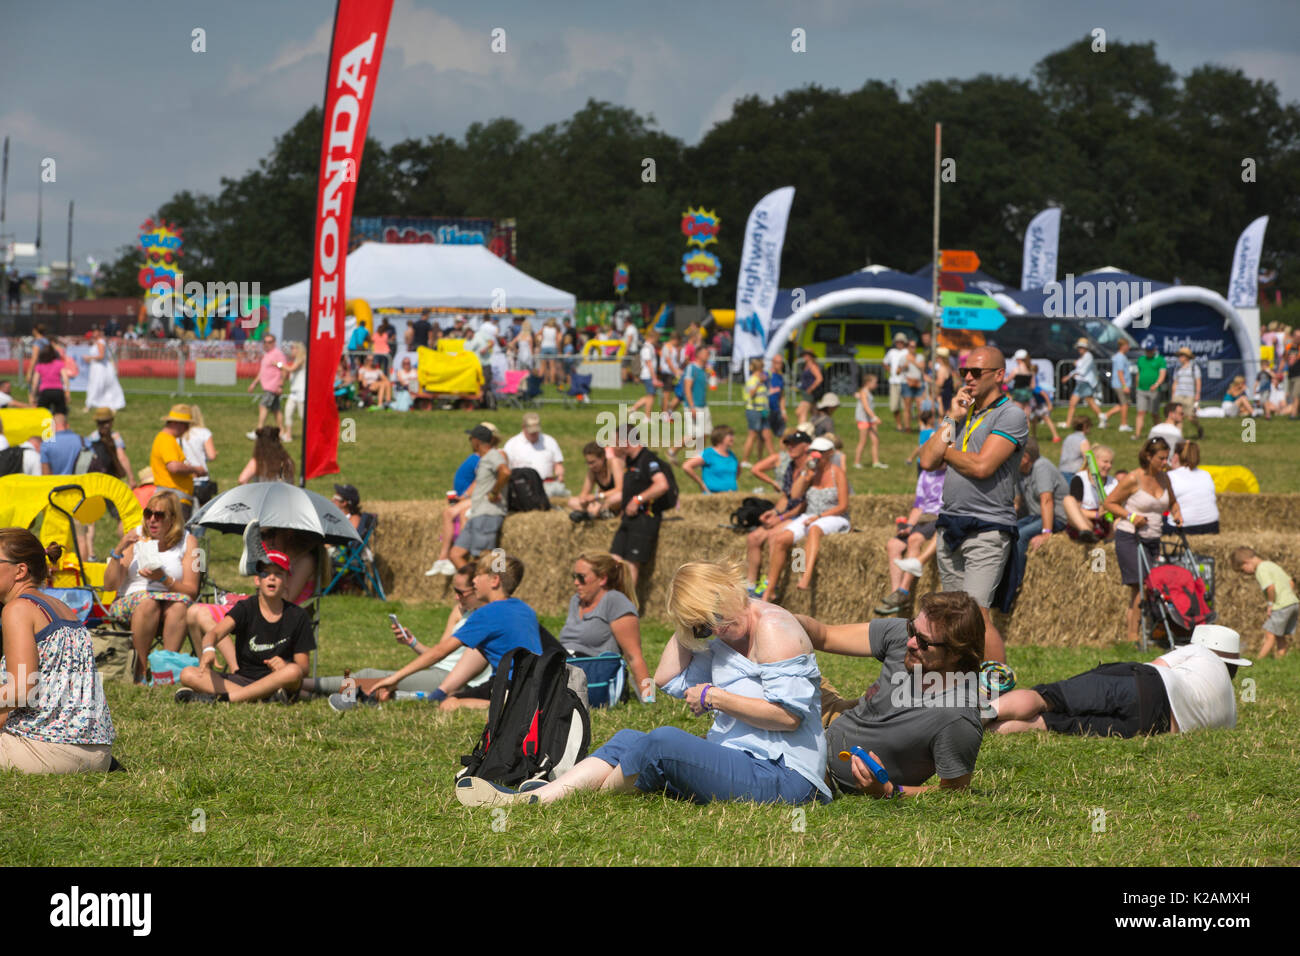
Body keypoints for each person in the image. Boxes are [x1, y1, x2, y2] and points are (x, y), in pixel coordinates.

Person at [456, 560, 830, 808]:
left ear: (730, 588)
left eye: (714, 616)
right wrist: (687, 627)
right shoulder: (723, 632)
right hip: (741, 758)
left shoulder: (774, 629)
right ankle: (540, 798)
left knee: (664, 741)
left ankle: (567, 797)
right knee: (628, 738)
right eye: (703, 626)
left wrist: (716, 696)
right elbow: (666, 679)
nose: (714, 630)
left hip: (787, 778)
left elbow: (788, 718)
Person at [796, 591, 985, 797]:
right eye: (912, 629)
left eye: (923, 642)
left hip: (825, 771)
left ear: (956, 653)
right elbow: (824, 635)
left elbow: (954, 792)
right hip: (836, 716)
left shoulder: (957, 716)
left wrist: (889, 790)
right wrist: (776, 619)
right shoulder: (907, 637)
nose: (910, 642)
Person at [917, 345, 1026, 664]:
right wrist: (951, 417)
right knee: (953, 614)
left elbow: (982, 467)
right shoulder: (965, 415)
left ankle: (998, 686)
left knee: (977, 612)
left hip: (988, 526)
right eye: (964, 371)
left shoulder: (1011, 414)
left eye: (976, 372)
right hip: (950, 523)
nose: (968, 377)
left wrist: (943, 450)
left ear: (999, 375)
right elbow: (926, 460)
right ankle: (961, 681)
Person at [987, 624, 1251, 737]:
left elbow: (1155, 666)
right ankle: (990, 730)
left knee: (1048, 698)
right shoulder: (1231, 714)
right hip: (1150, 726)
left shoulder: (1200, 652)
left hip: (1146, 685)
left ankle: (970, 717)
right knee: (1048, 724)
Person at [0, 532, 116, 773]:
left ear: (20, 571)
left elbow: (22, 689)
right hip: (99, 754)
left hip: (47, 751)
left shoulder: (18, 609)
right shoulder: (63, 609)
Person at [370, 553, 541, 709]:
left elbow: (439, 652)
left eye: (478, 575)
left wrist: (395, 678)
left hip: (510, 688)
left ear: (494, 580)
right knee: (450, 697)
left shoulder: (487, 613)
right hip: (533, 686)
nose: (474, 581)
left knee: (449, 705)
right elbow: (478, 656)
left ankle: (504, 708)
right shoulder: (525, 610)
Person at [315, 566, 493, 707]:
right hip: (437, 671)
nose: (455, 597)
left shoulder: (488, 617)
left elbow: (440, 656)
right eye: (454, 590)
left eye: (460, 592)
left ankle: (303, 685)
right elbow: (438, 653)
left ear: (477, 589)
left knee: (371, 677)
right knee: (372, 679)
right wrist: (412, 642)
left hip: (452, 679)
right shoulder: (460, 610)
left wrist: (397, 677)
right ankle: (305, 690)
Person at [176, 548, 314, 704]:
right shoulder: (246, 608)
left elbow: (303, 668)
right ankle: (262, 697)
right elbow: (214, 634)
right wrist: (209, 649)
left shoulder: (298, 615)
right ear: (257, 580)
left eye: (278, 574)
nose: (271, 578)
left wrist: (285, 665)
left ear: (287, 581)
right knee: (188, 674)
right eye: (265, 574)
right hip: (243, 679)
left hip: (278, 680)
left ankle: (225, 698)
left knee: (293, 671)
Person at [103, 490, 202, 679]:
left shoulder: (189, 542)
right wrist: (118, 550)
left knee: (180, 606)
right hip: (131, 600)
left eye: (159, 515)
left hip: (170, 600)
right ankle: (138, 669)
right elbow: (109, 585)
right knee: (149, 603)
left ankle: (165, 669)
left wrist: (163, 579)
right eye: (148, 514)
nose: (152, 520)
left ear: (172, 519)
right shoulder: (135, 537)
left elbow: (191, 590)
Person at [1103, 436, 1182, 645]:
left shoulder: (1165, 479)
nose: (1165, 463)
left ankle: (1149, 632)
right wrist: (1131, 516)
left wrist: (1177, 514)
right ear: (1148, 456)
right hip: (1130, 536)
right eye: (1161, 458)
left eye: (1167, 458)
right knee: (1141, 586)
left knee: (1152, 585)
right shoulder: (1132, 479)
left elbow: (1172, 502)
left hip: (1153, 538)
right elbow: (1109, 503)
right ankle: (1133, 637)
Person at [558, 551, 652, 700]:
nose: (576, 582)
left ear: (602, 579)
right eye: (574, 577)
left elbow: (635, 657)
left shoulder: (615, 602)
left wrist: (649, 697)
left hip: (594, 675)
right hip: (565, 666)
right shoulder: (576, 601)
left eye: (581, 577)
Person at [1006, 436, 1069, 605]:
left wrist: (1046, 533)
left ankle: (1015, 587)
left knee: (1020, 535)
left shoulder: (1042, 467)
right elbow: (1016, 502)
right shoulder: (1019, 471)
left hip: (1056, 519)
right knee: (1008, 531)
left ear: (1025, 458)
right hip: (1036, 516)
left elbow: (1046, 500)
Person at [875, 466, 945, 615]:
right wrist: (908, 526)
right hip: (923, 519)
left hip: (940, 517)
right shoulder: (926, 473)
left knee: (915, 539)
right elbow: (918, 506)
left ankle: (904, 591)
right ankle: (896, 595)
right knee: (893, 544)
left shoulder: (952, 472)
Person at [609, 432, 671, 593]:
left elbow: (662, 485)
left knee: (631, 565)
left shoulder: (648, 459)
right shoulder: (630, 461)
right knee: (613, 560)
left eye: (616, 442)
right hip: (629, 520)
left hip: (645, 520)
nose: (614, 446)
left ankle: (626, 609)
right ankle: (612, 602)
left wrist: (638, 500)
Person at [448, 425, 511, 568]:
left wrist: (494, 492)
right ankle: (472, 587)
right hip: (477, 514)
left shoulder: (493, 455)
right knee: (455, 554)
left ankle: (492, 586)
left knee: (484, 558)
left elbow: (505, 472)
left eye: (471, 439)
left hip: (487, 514)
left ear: (476, 441)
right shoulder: (485, 459)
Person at [1231, 547, 1296, 659]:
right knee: (1280, 634)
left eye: (1243, 569)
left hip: (1281, 605)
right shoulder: (1271, 565)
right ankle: (1281, 659)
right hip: (1293, 603)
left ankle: (1259, 660)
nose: (1245, 572)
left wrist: (1270, 604)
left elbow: (1270, 587)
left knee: (1269, 633)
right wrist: (1286, 595)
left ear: (1246, 562)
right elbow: (1290, 582)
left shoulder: (1260, 569)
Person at [150, 404, 205, 514]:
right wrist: (195, 469)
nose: (187, 429)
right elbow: (174, 467)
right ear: (175, 423)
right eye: (186, 425)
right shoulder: (167, 440)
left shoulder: (166, 439)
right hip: (174, 500)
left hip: (173, 498)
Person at [503, 412, 567, 498]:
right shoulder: (512, 444)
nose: (534, 434)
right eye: (531, 432)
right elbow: (505, 467)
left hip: (547, 485)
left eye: (536, 431)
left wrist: (560, 476)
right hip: (523, 487)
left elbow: (558, 464)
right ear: (523, 427)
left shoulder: (550, 441)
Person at [1063, 444, 1117, 541]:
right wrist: (1097, 514)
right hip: (1086, 522)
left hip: (1106, 524)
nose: (1109, 466)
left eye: (1111, 463)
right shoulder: (1080, 479)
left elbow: (1117, 511)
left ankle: (1108, 541)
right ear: (1094, 461)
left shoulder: (1114, 482)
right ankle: (1087, 534)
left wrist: (1108, 509)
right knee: (1068, 500)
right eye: (1105, 462)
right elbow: (1076, 510)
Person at [1167, 441, 1218, 535]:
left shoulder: (1170, 476)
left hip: (1184, 527)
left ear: (1176, 457)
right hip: (1212, 525)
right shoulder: (1206, 474)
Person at [567, 440, 624, 522]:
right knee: (571, 502)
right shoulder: (592, 471)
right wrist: (583, 500)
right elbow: (584, 492)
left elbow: (620, 489)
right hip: (603, 501)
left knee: (618, 497)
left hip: (616, 500)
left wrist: (597, 497)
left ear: (602, 457)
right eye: (587, 463)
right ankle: (598, 512)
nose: (590, 466)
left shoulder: (614, 463)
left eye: (592, 462)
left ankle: (593, 512)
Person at [246, 333, 287, 440]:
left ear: (274, 343)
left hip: (273, 386)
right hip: (267, 386)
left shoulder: (277, 354)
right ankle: (281, 431)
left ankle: (259, 431)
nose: (267, 344)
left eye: (269, 342)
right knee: (276, 410)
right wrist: (254, 383)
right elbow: (262, 371)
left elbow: (284, 369)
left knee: (263, 406)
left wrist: (280, 385)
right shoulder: (267, 355)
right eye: (265, 342)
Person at [179, 404, 217, 507]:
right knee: (202, 513)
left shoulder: (180, 434)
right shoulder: (204, 433)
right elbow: (212, 455)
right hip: (202, 478)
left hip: (184, 478)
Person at [683, 424, 739, 494]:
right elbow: (687, 466)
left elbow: (737, 471)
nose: (732, 438)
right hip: (712, 495)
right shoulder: (709, 453)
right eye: (730, 435)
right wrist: (701, 484)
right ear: (720, 437)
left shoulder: (732, 455)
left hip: (731, 495)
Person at [1063, 338, 1104, 426]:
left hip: (1085, 383)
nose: (1079, 349)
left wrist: (1070, 376)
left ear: (1085, 348)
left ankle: (1103, 418)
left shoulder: (1088, 356)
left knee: (1089, 402)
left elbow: (1082, 371)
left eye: (1081, 347)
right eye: (1079, 347)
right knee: (1075, 403)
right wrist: (1070, 375)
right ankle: (1068, 423)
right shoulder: (1083, 357)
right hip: (1081, 383)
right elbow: (1078, 369)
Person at [740, 358, 773, 466]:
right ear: (757, 369)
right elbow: (751, 394)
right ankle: (744, 460)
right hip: (753, 411)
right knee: (752, 435)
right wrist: (759, 383)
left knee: (765, 436)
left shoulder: (760, 380)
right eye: (761, 370)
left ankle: (764, 459)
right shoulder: (752, 380)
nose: (763, 372)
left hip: (763, 411)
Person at [83, 326, 125, 412]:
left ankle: (91, 404)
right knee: (97, 385)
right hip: (97, 367)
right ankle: (92, 403)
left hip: (100, 368)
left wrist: (89, 358)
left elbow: (101, 356)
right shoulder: (98, 342)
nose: (94, 333)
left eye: (96, 331)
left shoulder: (100, 342)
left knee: (98, 385)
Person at [1133, 341, 1167, 439]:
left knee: (1154, 413)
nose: (1148, 352)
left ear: (1154, 350)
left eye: (1150, 350)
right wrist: (1136, 385)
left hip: (1154, 390)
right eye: (1147, 350)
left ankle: (1160, 433)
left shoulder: (1160, 360)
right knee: (1140, 412)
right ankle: (1137, 434)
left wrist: (1157, 384)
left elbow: (1162, 374)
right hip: (1141, 389)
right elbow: (1138, 373)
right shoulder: (1141, 360)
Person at [852, 373, 886, 469]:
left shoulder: (867, 392)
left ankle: (876, 462)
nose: (876, 385)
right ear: (868, 383)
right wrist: (875, 418)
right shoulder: (864, 392)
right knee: (863, 441)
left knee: (875, 440)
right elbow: (866, 407)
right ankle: (856, 462)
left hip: (870, 419)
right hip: (864, 420)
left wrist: (873, 418)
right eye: (875, 382)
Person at [1170, 346, 1203, 439]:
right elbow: (1175, 382)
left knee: (1190, 416)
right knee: (1178, 416)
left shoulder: (1194, 367)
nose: (1179, 357)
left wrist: (1198, 393)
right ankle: (1179, 436)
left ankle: (1199, 428)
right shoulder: (1177, 368)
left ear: (1186, 357)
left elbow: (1198, 381)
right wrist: (1173, 396)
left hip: (1189, 395)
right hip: (1178, 394)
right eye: (1179, 355)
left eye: (1181, 355)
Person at [28, 343, 70, 416]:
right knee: (60, 413)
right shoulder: (59, 364)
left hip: (45, 392)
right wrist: (67, 392)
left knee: (42, 413)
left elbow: (35, 382)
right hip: (58, 391)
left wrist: (33, 395)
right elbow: (65, 379)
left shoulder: (40, 365)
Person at [883, 333, 911, 431]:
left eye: (901, 341)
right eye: (898, 341)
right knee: (894, 406)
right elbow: (884, 363)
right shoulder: (891, 352)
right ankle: (899, 425)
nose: (899, 343)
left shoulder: (907, 352)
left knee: (906, 407)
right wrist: (891, 370)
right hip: (894, 382)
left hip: (905, 382)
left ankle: (907, 426)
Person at [631, 328, 660, 417]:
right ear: (653, 337)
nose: (657, 341)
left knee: (651, 395)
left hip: (649, 375)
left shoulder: (649, 347)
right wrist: (654, 378)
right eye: (657, 339)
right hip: (648, 375)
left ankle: (633, 408)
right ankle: (647, 417)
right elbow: (649, 364)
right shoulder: (647, 348)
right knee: (651, 396)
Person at [281, 342, 307, 440]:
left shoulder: (303, 358)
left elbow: (291, 369)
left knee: (302, 415)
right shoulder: (296, 359)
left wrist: (279, 364)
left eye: (293, 348)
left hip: (301, 391)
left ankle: (309, 435)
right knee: (288, 411)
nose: (291, 350)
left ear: (298, 349)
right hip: (293, 392)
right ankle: (288, 435)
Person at [1107, 337, 1134, 431]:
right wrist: (1124, 385)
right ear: (1122, 346)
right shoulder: (1120, 357)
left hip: (1120, 384)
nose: (1129, 347)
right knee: (1124, 404)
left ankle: (1105, 416)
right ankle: (1123, 424)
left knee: (1123, 404)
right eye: (1127, 345)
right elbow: (1120, 372)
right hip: (1120, 384)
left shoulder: (1120, 356)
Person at [1057, 415, 1092, 484]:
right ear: (1085, 426)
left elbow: (1062, 453)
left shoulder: (1068, 437)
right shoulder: (1083, 440)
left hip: (1062, 470)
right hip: (1074, 472)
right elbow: (1088, 459)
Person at [794, 350, 825, 425]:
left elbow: (819, 378)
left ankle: (802, 429)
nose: (804, 356)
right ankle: (820, 424)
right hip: (805, 392)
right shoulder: (805, 365)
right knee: (814, 413)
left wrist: (811, 388)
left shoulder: (813, 366)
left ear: (811, 356)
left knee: (801, 412)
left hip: (810, 393)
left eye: (806, 355)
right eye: (804, 355)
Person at [767, 354, 787, 439]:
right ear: (773, 363)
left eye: (781, 363)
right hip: (767, 410)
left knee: (783, 434)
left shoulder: (780, 377)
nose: (780, 365)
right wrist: (770, 391)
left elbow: (782, 396)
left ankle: (782, 452)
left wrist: (783, 411)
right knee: (765, 436)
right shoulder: (766, 376)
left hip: (777, 410)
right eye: (777, 363)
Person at [538, 317, 561, 385]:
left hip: (544, 347)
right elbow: (557, 340)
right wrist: (559, 350)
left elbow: (537, 335)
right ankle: (552, 381)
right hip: (552, 347)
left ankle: (540, 381)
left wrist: (540, 342)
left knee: (542, 366)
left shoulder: (544, 329)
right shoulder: (555, 330)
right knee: (552, 366)